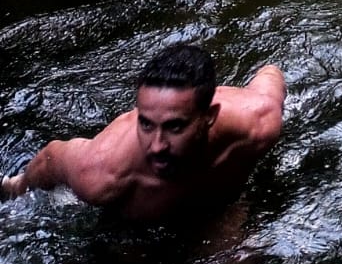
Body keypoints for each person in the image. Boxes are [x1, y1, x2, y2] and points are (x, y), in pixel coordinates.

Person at [0, 43, 285, 222]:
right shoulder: (100, 172)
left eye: (174, 126)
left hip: (220, 209)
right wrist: (18, 186)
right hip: (137, 229)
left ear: (209, 117)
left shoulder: (258, 122)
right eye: (146, 124)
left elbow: (271, 74)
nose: (157, 145)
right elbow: (52, 158)